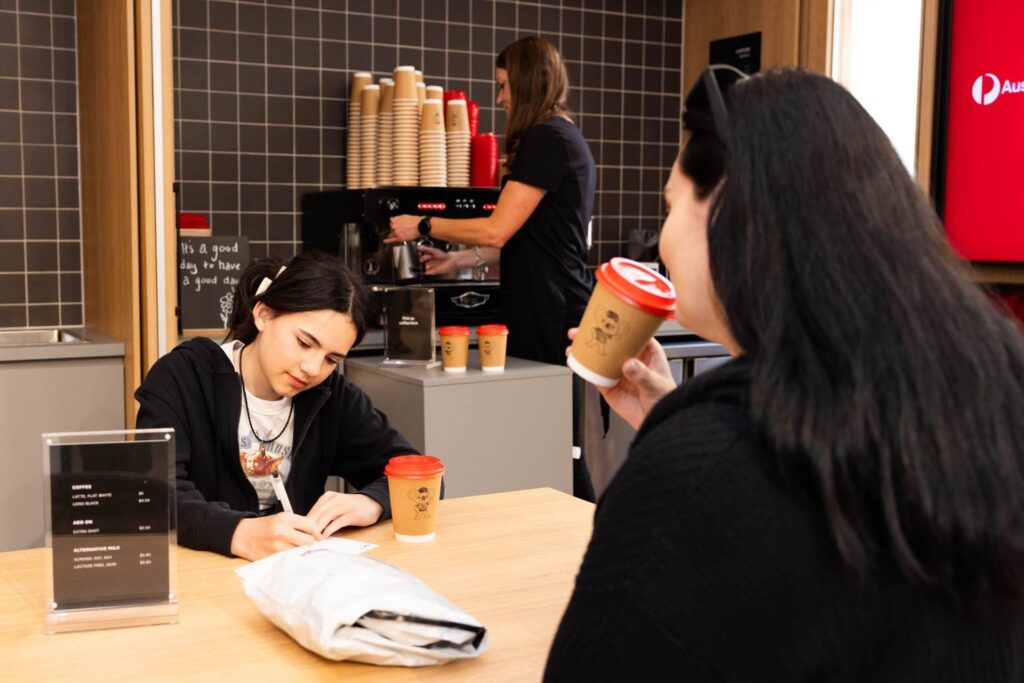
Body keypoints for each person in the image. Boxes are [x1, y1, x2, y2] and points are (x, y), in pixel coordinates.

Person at [544, 67, 1024, 680]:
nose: (661, 238)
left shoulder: (707, 465)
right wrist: (675, 417)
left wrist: (679, 448)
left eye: (669, 206)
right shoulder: (983, 397)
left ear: (721, 210)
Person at [135, 251, 416, 561]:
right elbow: (154, 492)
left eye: (331, 359)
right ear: (263, 314)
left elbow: (421, 476)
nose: (312, 368)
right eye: (304, 343)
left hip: (292, 574)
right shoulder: (183, 375)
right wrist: (239, 532)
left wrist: (371, 502)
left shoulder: (330, 394)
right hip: (199, 570)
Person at [386, 35, 596, 368]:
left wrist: (422, 224)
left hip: (550, 313)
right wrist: (459, 261)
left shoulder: (546, 138)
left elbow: (496, 230)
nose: (500, 98)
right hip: (553, 306)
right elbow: (528, 239)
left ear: (525, 84)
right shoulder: (563, 134)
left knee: (548, 416)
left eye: (503, 86)